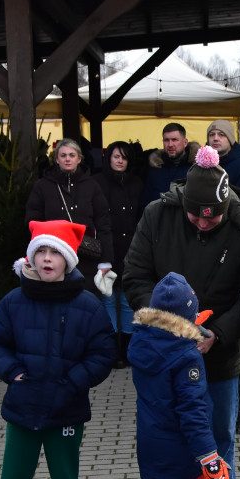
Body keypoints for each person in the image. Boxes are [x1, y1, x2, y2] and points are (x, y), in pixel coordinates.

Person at [116, 145, 240, 479]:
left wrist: (219, 332)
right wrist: (172, 326)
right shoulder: (157, 214)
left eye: (211, 215)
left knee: (218, 433)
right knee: (160, 432)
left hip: (219, 353)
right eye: (195, 213)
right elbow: (135, 276)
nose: (203, 220)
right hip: (165, 351)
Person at [0, 220, 114, 479]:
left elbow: (103, 353)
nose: (47, 259)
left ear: (67, 260)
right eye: (41, 251)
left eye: (55, 252)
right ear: (32, 257)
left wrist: (74, 381)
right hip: (23, 410)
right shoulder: (14, 301)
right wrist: (13, 372)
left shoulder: (87, 305)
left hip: (67, 410)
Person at [127, 272, 231, 479]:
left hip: (151, 445)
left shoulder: (142, 344)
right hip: (181, 450)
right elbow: (193, 413)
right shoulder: (186, 358)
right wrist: (209, 457)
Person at [25, 138, 113, 294]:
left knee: (85, 306)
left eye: (72, 155)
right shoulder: (42, 186)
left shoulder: (91, 186)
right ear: (56, 159)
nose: (67, 159)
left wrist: (105, 260)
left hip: (86, 258)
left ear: (79, 159)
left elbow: (103, 223)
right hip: (53, 259)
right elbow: (32, 222)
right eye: (63, 155)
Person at [92, 141, 144, 368]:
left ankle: (129, 351)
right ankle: (112, 352)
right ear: (108, 158)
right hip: (107, 251)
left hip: (131, 251)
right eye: (115, 156)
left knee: (128, 301)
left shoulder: (138, 183)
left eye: (124, 157)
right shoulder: (98, 183)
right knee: (108, 300)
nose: (120, 160)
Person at [142, 123, 197, 206]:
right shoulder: (155, 170)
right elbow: (146, 204)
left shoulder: (196, 169)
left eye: (174, 140)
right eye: (166, 140)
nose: (170, 145)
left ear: (185, 142)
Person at [207, 119, 240, 198]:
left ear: (230, 139)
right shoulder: (202, 164)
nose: (215, 138)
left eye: (221, 134)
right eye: (211, 135)